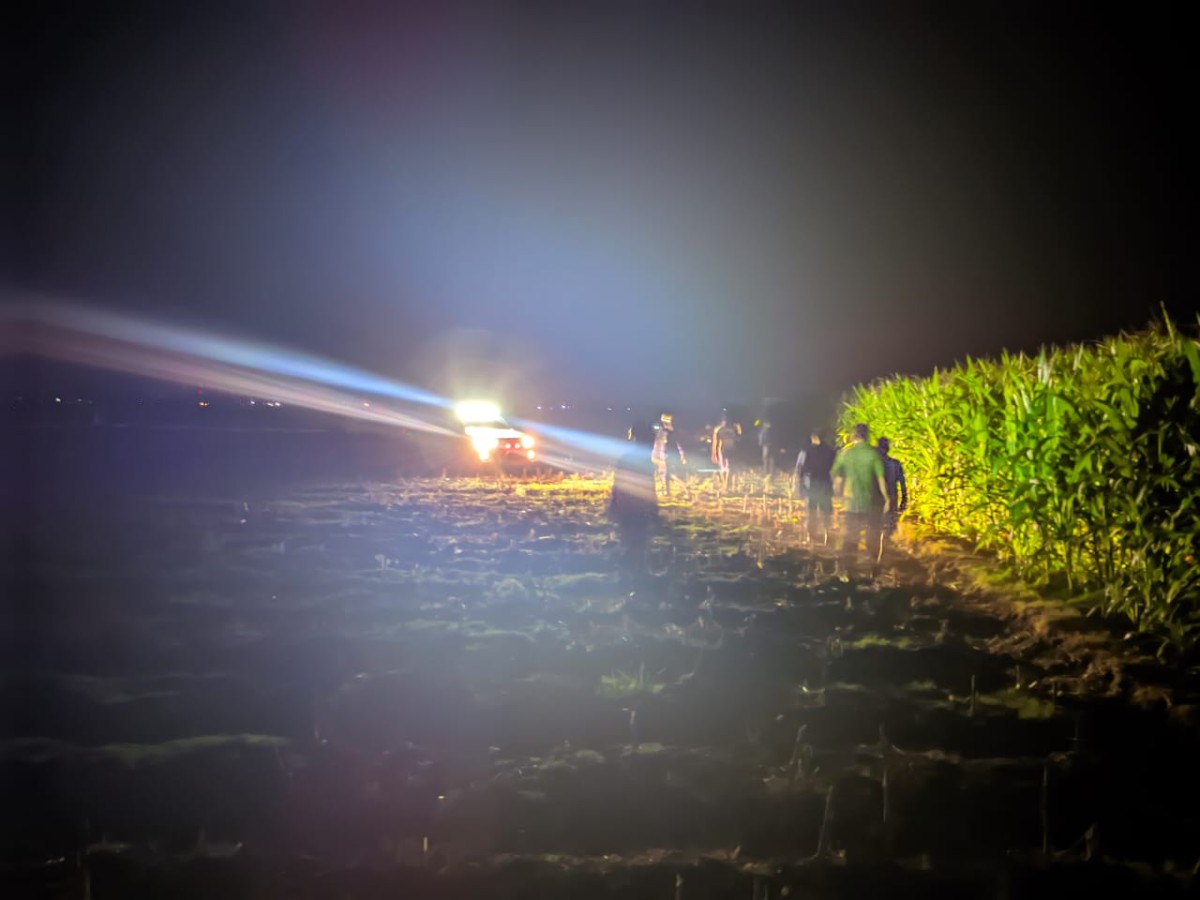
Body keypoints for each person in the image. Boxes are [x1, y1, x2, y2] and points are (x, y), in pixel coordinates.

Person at [831, 423, 890, 564]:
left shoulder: (846, 454)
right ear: (867, 436)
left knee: (851, 537)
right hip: (870, 503)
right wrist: (887, 498)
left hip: (851, 502)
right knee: (872, 536)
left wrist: (838, 493)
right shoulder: (874, 454)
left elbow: (836, 476)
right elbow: (881, 478)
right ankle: (872, 567)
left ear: (853, 436)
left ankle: (849, 570)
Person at [610, 421, 659, 568]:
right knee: (638, 543)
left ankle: (629, 572)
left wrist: (614, 505)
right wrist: (654, 508)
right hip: (637, 508)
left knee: (632, 542)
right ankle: (635, 573)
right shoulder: (643, 461)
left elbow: (617, 484)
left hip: (628, 507)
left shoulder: (626, 458)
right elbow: (649, 487)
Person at [795, 430, 836, 545]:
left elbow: (799, 469)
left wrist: (800, 486)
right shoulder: (830, 451)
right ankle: (827, 536)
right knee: (826, 510)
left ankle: (811, 537)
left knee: (811, 510)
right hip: (825, 483)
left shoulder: (806, 451)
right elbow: (835, 469)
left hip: (811, 484)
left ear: (813, 437)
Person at [876, 437, 908, 552]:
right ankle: (885, 549)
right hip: (892, 498)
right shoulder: (895, 464)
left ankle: (881, 552)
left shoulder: (875, 464)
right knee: (889, 527)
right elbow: (903, 484)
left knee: (877, 527)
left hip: (878, 499)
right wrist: (904, 500)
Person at [652, 412, 687, 496]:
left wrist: (682, 455)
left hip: (667, 455)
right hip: (663, 455)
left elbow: (677, 444)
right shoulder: (662, 431)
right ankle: (667, 490)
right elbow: (657, 443)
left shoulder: (670, 432)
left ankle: (679, 488)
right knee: (664, 473)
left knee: (667, 473)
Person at [711, 414, 737, 491]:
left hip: (726, 449)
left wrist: (714, 453)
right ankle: (725, 483)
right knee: (725, 467)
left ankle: (726, 484)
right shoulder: (723, 429)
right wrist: (714, 454)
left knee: (726, 467)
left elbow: (737, 439)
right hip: (724, 449)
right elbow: (715, 442)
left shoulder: (722, 429)